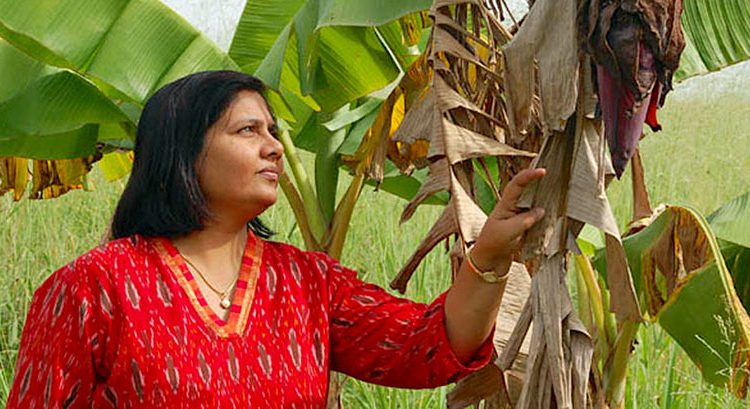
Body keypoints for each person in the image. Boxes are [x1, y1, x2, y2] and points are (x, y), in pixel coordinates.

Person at [6, 71, 545, 408]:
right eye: (247, 131)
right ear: (183, 152)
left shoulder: (307, 281)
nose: (274, 148)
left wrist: (489, 256)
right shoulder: (92, 288)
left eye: (272, 131)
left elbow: (426, 348)